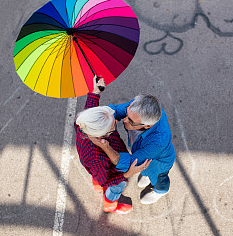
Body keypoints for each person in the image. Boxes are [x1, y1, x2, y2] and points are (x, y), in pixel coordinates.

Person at [89, 79, 176, 205]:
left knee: (159, 177)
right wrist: (99, 118)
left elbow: (130, 163)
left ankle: (160, 190)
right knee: (143, 169)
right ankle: (146, 175)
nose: (124, 120)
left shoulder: (159, 140)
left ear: (147, 126)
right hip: (143, 154)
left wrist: (105, 147)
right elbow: (115, 110)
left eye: (130, 121)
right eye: (127, 112)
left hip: (159, 162)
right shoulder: (139, 108)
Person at [75, 77, 151, 214]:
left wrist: (95, 92)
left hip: (98, 167)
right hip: (110, 172)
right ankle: (110, 205)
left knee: (98, 174)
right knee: (116, 186)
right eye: (112, 129)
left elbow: (91, 110)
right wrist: (128, 174)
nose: (116, 123)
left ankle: (97, 185)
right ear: (101, 136)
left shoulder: (85, 123)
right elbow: (107, 180)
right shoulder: (96, 157)